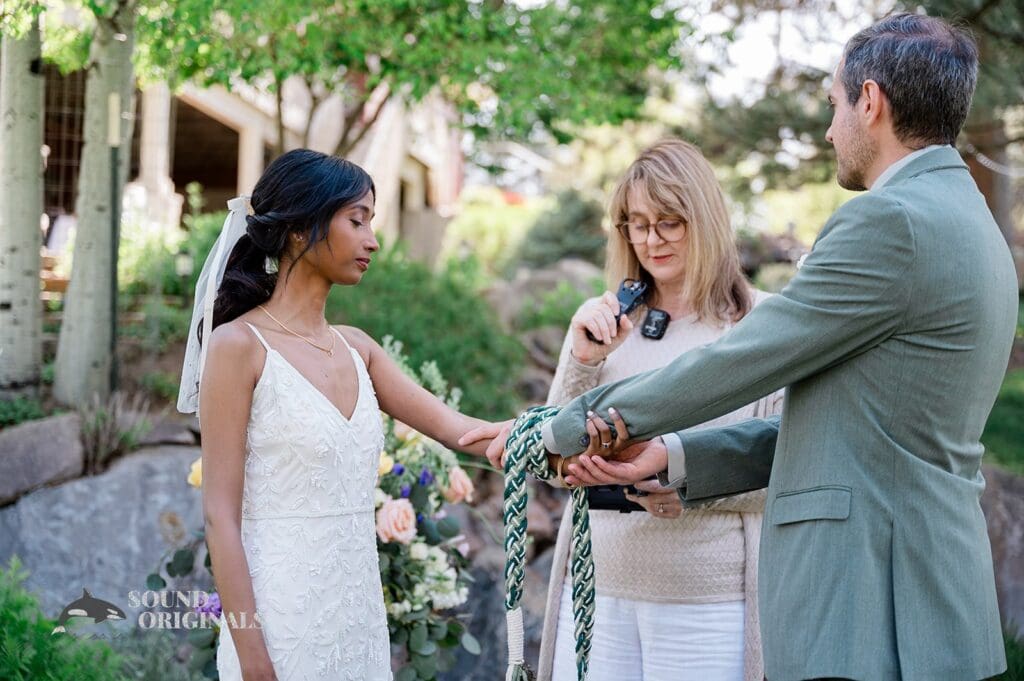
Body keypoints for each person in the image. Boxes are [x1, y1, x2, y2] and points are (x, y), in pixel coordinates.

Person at [497, 13, 1015, 681]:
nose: (830, 131)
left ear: (870, 101)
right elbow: (849, 430)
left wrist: (565, 427)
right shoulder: (971, 220)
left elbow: (742, 359)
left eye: (833, 106)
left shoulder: (890, 221)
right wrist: (674, 455)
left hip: (872, 598)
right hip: (925, 595)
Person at [177, 149, 497, 681]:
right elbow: (220, 518)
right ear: (302, 228)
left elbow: (463, 431)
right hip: (280, 626)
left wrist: (566, 433)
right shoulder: (238, 347)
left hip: (359, 621)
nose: (372, 239)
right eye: (358, 219)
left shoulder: (358, 349)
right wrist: (254, 660)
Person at [536, 139, 783, 681]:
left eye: (669, 222)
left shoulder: (764, 325)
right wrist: (582, 361)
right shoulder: (601, 321)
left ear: (706, 218)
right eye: (636, 224)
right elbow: (549, 461)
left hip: (709, 604)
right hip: (595, 592)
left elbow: (787, 468)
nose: (651, 240)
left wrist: (685, 485)